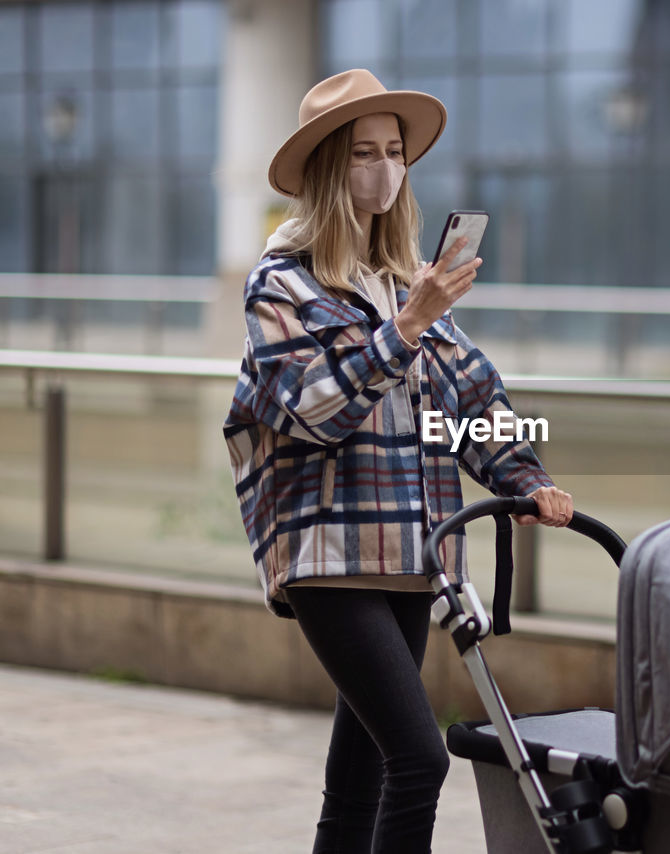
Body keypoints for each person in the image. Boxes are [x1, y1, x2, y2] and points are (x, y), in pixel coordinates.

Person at [223, 68, 573, 854]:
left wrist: (530, 480)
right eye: (361, 155)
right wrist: (406, 326)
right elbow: (314, 411)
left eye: (394, 152)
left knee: (358, 784)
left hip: (417, 553)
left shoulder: (405, 283)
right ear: (324, 170)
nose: (384, 170)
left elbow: (475, 399)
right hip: (329, 552)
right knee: (419, 759)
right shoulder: (281, 285)